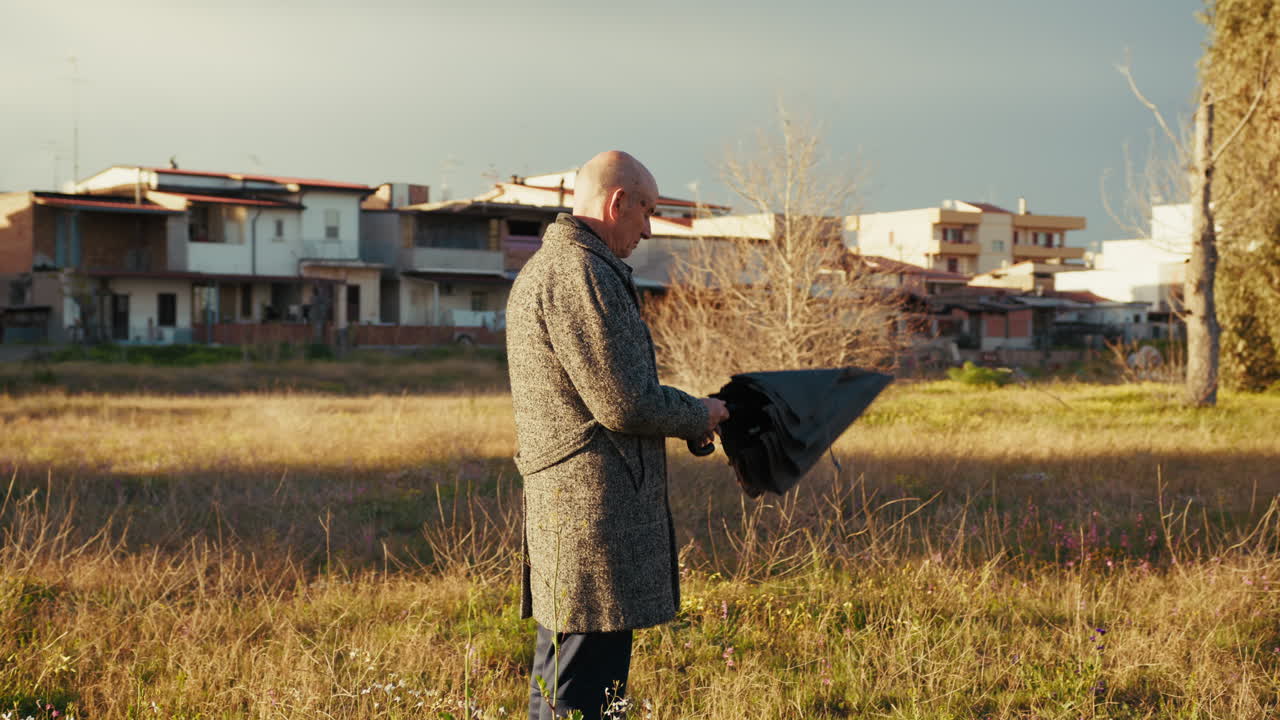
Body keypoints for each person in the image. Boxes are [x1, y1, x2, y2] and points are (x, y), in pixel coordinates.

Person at [506, 150, 730, 719]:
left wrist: (684, 418)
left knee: (580, 682)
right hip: (589, 516)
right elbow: (623, 403)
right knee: (575, 690)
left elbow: (613, 392)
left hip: (584, 513)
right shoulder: (579, 272)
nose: (648, 228)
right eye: (646, 211)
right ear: (616, 202)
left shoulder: (569, 267)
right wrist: (698, 414)